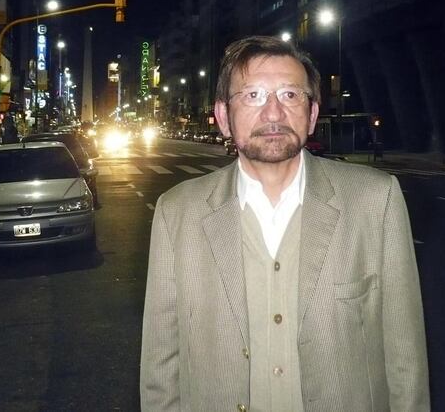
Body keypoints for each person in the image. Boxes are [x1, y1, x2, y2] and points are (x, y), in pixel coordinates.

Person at [140, 36, 429, 411]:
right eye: (253, 96)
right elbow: (161, 365)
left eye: (290, 95)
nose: (273, 113)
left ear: (312, 114)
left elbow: (405, 356)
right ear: (224, 117)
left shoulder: (375, 200)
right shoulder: (177, 212)